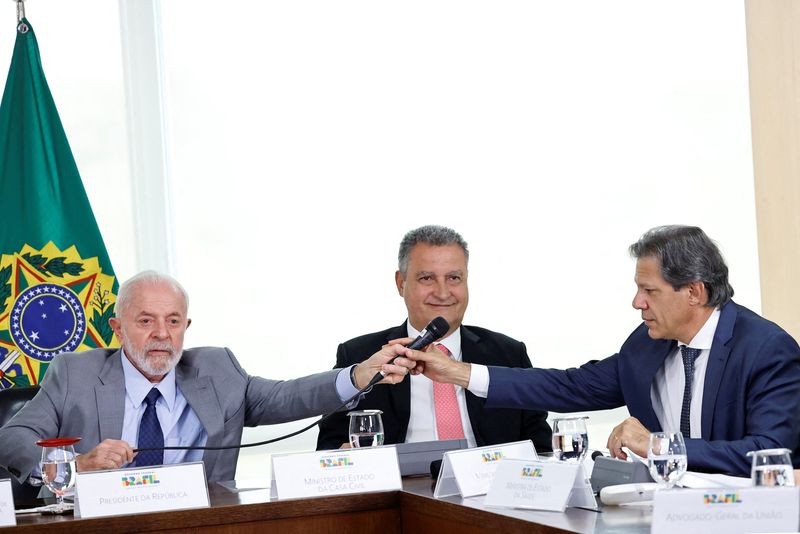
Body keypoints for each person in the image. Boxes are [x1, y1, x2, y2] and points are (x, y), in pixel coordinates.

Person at [405, 225, 800, 476]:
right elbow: (569, 387)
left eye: (650, 291)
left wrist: (660, 447)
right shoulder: (648, 343)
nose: (637, 303)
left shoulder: (765, 349)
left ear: (694, 292)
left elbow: (770, 454)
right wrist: (459, 373)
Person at [0, 271, 415, 483]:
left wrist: (360, 374)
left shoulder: (216, 370)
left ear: (186, 325)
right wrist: (75, 466)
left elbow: (289, 397)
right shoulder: (76, 373)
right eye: (146, 320)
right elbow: (13, 437)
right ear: (117, 328)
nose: (162, 334)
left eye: (173, 321)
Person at [316, 225, 552, 452]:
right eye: (427, 278)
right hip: (399, 489)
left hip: (490, 486)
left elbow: (541, 448)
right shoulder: (360, 356)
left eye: (454, 278)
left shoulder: (508, 354)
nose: (442, 292)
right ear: (401, 283)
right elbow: (329, 446)